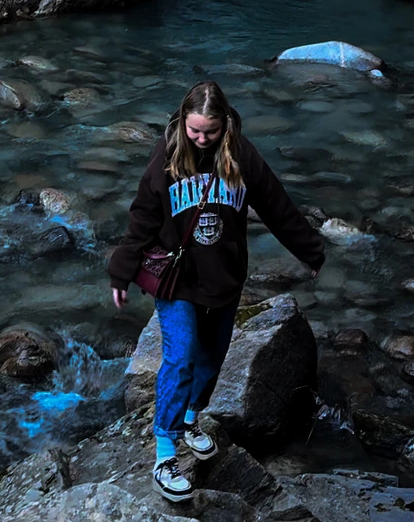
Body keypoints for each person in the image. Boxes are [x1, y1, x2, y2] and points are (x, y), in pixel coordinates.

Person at [109, 79, 325, 502]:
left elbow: (277, 206)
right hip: (179, 279)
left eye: (209, 131)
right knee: (181, 355)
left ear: (225, 123)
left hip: (224, 276)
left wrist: (311, 251)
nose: (202, 139)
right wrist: (122, 271)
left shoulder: (241, 154)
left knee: (211, 359)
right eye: (195, 131)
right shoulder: (169, 153)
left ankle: (191, 418)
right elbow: (143, 214)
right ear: (183, 123)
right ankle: (166, 454)